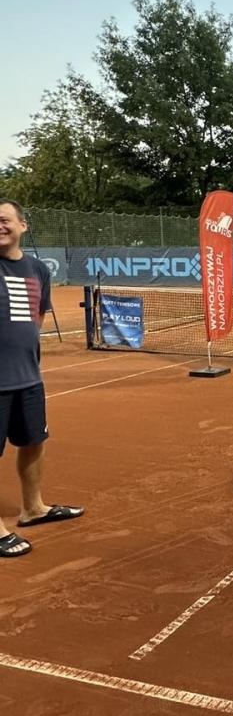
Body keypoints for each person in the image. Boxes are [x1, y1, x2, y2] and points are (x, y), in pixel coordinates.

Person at [0, 200, 84, 559]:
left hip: (28, 378)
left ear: (23, 226)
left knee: (34, 442)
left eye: (4, 220)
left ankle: (33, 509)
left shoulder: (37, 269)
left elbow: (38, 317)